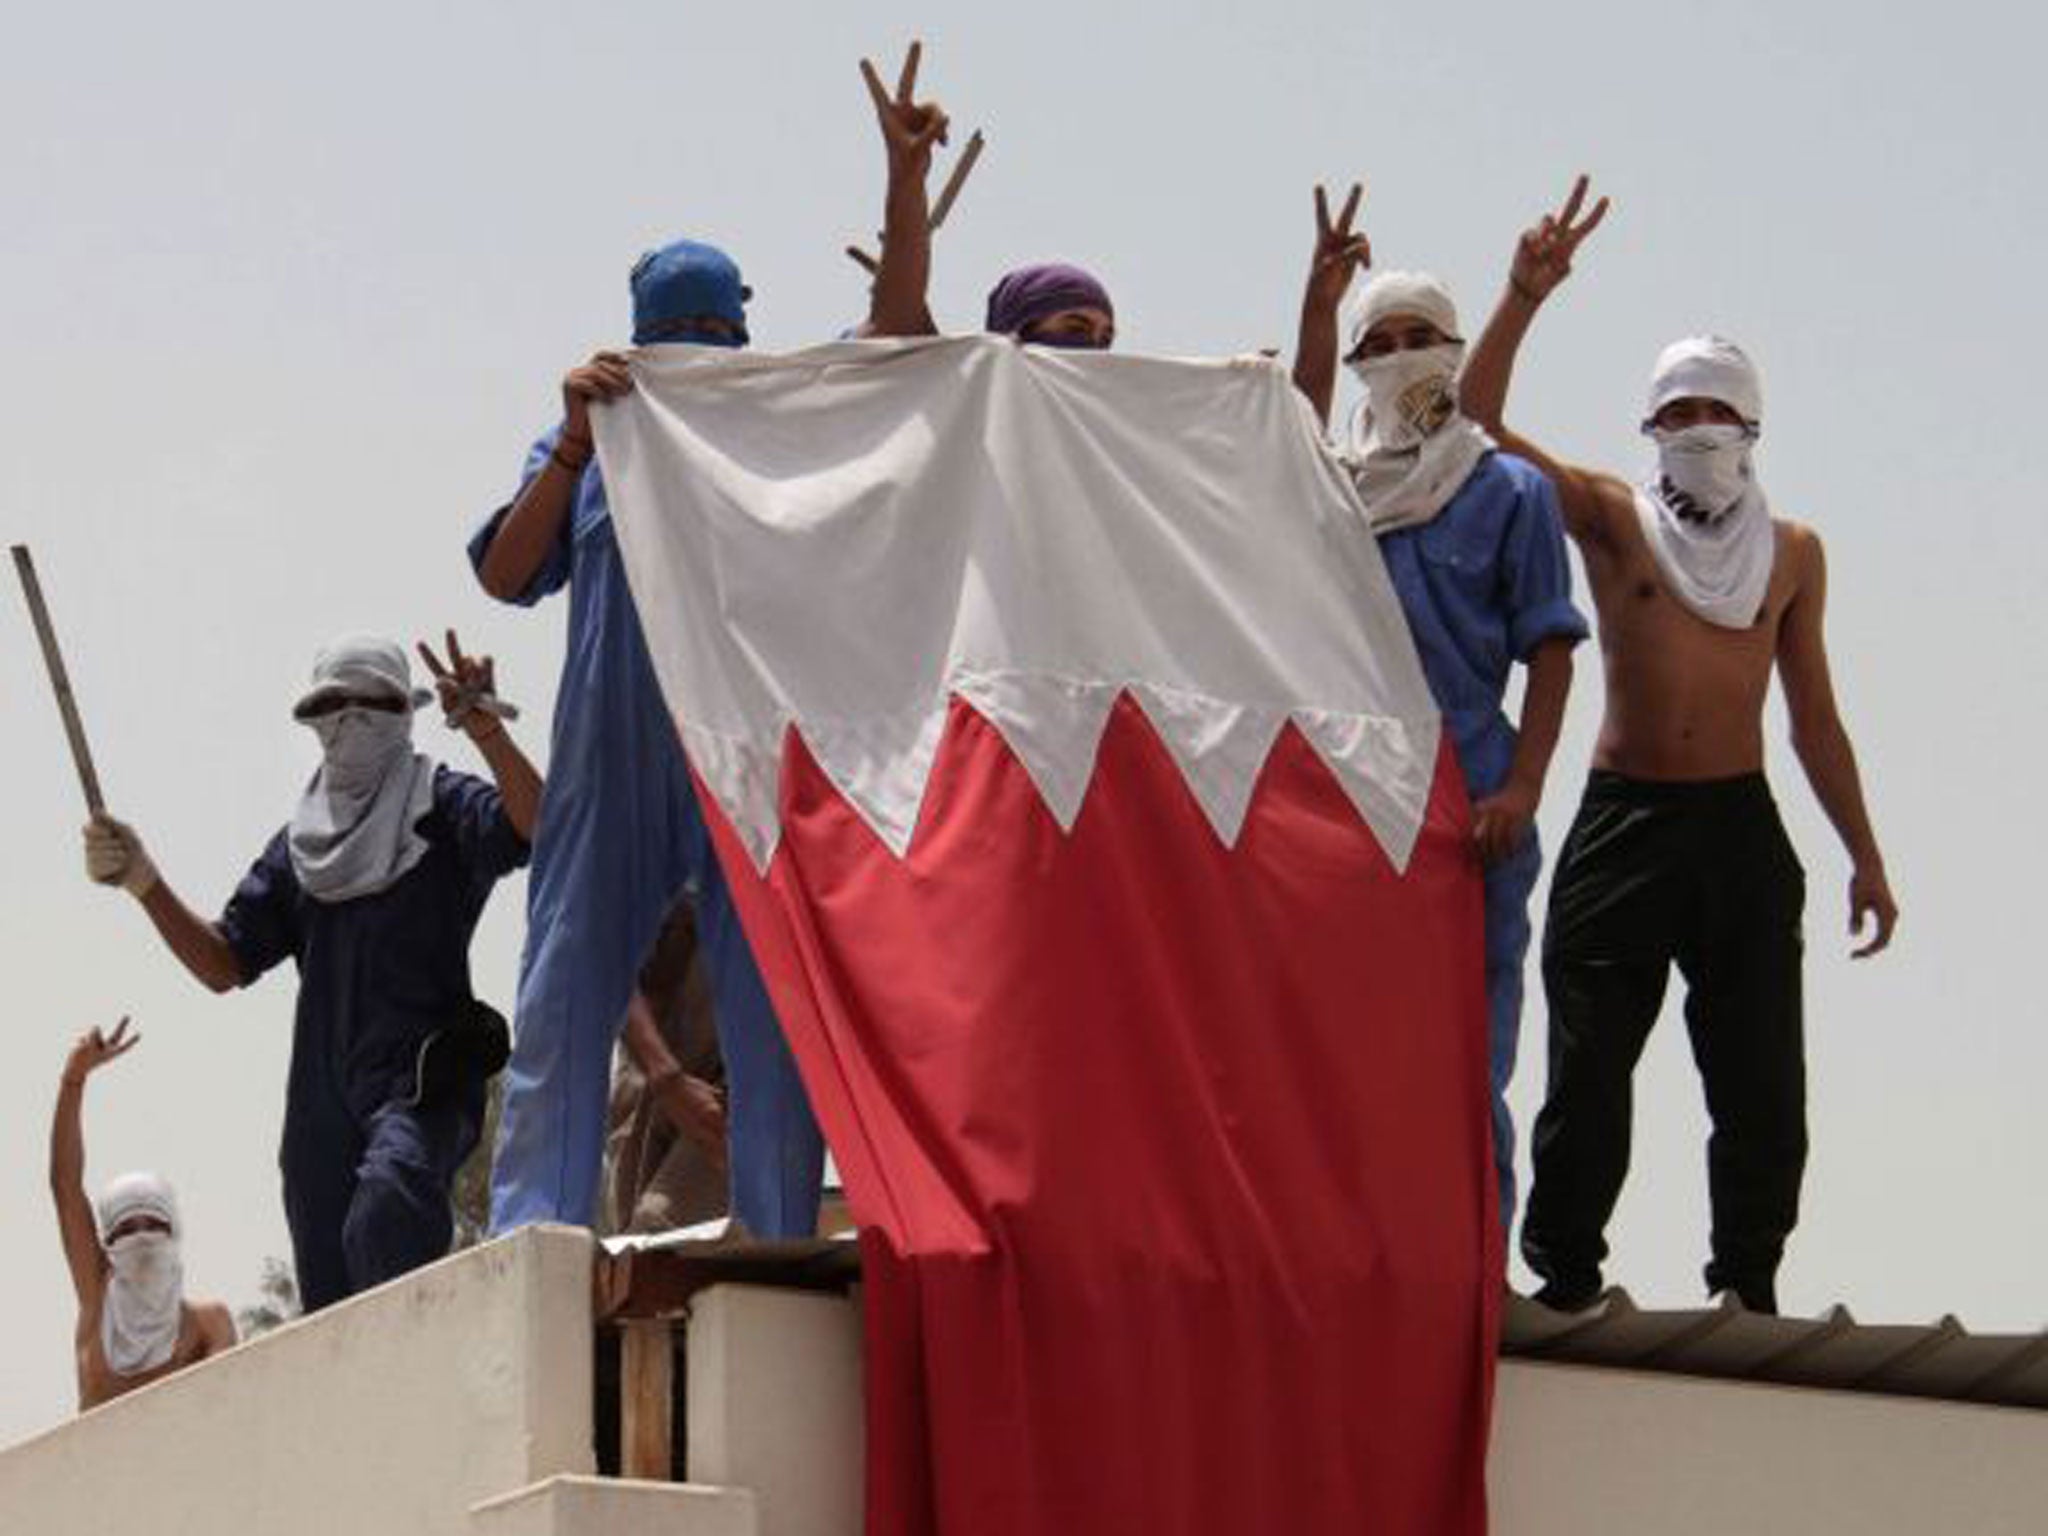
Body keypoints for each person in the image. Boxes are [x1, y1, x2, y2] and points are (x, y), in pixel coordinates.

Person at [1459, 177, 1900, 1314]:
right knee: (1590, 1068)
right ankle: (1563, 1274)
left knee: (1759, 1082)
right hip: (1627, 820)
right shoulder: (1613, 517)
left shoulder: (1791, 554)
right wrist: (1521, 295)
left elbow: (1813, 718)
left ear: (1747, 425)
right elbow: (1479, 425)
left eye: (1714, 412)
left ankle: (1744, 1284)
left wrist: (1863, 853)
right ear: (1648, 427)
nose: (1695, 431)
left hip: (1737, 825)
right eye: (1676, 414)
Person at [470, 239, 824, 1240]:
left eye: (719, 334)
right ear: (636, 340)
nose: (703, 351)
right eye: (680, 335)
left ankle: (778, 1232)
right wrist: (579, 437)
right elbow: (506, 574)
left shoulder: (773, 424)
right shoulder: (588, 438)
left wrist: (900, 190)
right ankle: (526, 1239)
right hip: (607, 760)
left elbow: (890, 340)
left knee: (775, 1012)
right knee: (564, 998)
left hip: (739, 756)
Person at [1289, 184, 1588, 1236]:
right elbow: (1286, 434)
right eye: (1385, 340)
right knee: (1333, 1052)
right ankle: (1347, 1256)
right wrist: (1319, 310)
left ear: (1453, 353)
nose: (1403, 355)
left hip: (1470, 806)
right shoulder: (1335, 489)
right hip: (1346, 808)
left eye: (1423, 338)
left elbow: (1550, 648)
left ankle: (1468, 1268)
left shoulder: (1506, 489)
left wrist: (1520, 786)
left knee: (1464, 1059)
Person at [82, 634, 538, 1311]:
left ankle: (416, 1389)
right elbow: (223, 962)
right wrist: (143, 880)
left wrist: (487, 735)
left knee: (389, 1211)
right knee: (326, 1285)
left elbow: (537, 826)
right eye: (333, 705)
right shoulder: (301, 845)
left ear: (405, 711)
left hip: (421, 1079)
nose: (351, 721)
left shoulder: (438, 805)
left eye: (371, 705)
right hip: (322, 1097)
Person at [861, 42, 1116, 349]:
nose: (1094, 350)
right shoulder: (961, 390)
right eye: (1075, 328)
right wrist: (907, 176)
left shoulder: (1113, 397)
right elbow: (897, 331)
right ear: (1019, 326)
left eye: (1105, 340)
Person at [50, 1019, 235, 1410]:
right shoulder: (97, 1301)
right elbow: (65, 1187)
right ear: (107, 1244)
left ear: (175, 1231)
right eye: (127, 1229)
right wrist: (73, 1080)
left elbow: (226, 1416)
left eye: (154, 1224)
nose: (142, 1236)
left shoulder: (207, 1325)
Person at [602, 901, 729, 1235]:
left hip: (733, 1086)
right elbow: (599, 947)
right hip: (653, 1073)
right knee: (636, 1254)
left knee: (654, 1238)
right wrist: (665, 1075)